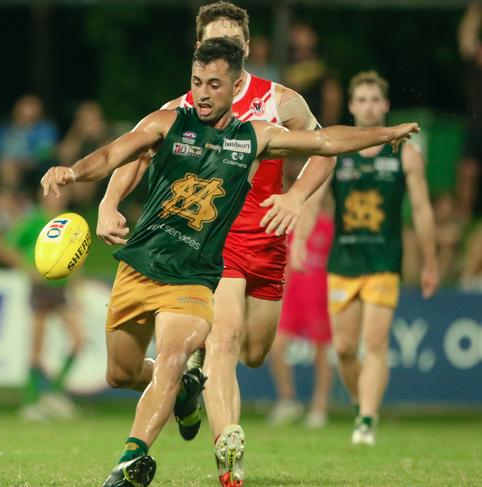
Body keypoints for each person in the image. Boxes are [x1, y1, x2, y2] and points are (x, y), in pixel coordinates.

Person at [41, 38, 418, 487]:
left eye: (213, 84)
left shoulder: (254, 138)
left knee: (176, 354)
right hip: (140, 263)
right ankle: (185, 391)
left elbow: (325, 141)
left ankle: (130, 461)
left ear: (235, 85)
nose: (202, 93)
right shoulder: (167, 122)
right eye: (197, 82)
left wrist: (384, 134)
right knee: (121, 372)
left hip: (196, 277)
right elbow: (114, 154)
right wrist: (74, 172)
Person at [96, 2, 334, 484]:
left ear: (245, 49)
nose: (221, 46)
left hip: (267, 239)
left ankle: (190, 387)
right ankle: (229, 455)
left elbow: (324, 147)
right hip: (209, 239)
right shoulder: (184, 106)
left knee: (254, 351)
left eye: (231, 40)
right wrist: (109, 200)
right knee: (222, 340)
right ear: (199, 47)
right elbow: (135, 152)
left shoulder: (279, 100)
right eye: (212, 39)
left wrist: (297, 197)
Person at [294, 71, 438, 446]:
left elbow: (422, 210)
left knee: (373, 343)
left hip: (384, 262)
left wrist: (430, 261)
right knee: (343, 349)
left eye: (376, 99)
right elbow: (312, 199)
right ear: (352, 106)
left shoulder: (405, 151)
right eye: (363, 99)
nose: (370, 106)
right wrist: (300, 242)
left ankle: (368, 420)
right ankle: (363, 406)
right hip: (343, 261)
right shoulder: (338, 149)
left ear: (386, 106)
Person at [1, 187, 85, 420]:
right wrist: (28, 270)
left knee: (79, 340)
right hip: (41, 286)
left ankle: (54, 394)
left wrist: (77, 290)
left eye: (61, 194)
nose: (57, 198)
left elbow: (76, 257)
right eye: (52, 194)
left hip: (62, 287)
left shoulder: (69, 223)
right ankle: (30, 404)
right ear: (43, 196)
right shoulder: (33, 220)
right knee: (37, 347)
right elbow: (7, 247)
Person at [267, 162, 334, 429]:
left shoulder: (328, 226)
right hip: (291, 295)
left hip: (319, 295)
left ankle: (319, 408)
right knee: (276, 347)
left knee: (321, 353)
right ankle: (287, 400)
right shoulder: (288, 222)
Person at [285, 22, 343, 126]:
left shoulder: (323, 69)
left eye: (304, 37)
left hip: (317, 128)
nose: (299, 41)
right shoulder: (285, 65)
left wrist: (325, 129)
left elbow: (332, 100)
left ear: (313, 39)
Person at [456, 1, 482, 219]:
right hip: (478, 122)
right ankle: (463, 219)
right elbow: (466, 36)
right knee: (468, 170)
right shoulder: (478, 53)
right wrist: (476, 6)